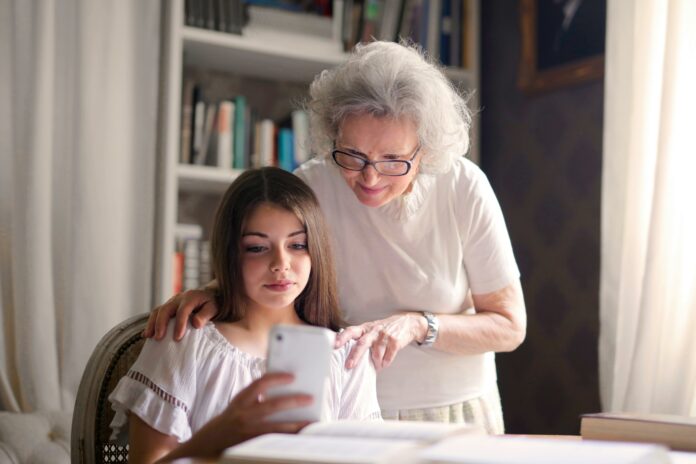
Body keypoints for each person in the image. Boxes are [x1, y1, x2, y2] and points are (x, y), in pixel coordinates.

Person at [146, 41, 526, 434]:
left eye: (393, 160)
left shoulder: (463, 187)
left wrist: (417, 325)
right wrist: (216, 291)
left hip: (454, 408)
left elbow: (510, 325)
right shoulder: (311, 185)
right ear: (333, 135)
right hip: (345, 409)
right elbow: (274, 259)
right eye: (353, 155)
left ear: (424, 151)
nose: (370, 177)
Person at [109, 167, 381, 463]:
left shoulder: (348, 356)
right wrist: (215, 437)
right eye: (257, 247)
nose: (281, 263)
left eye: (297, 245)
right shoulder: (185, 338)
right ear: (230, 254)